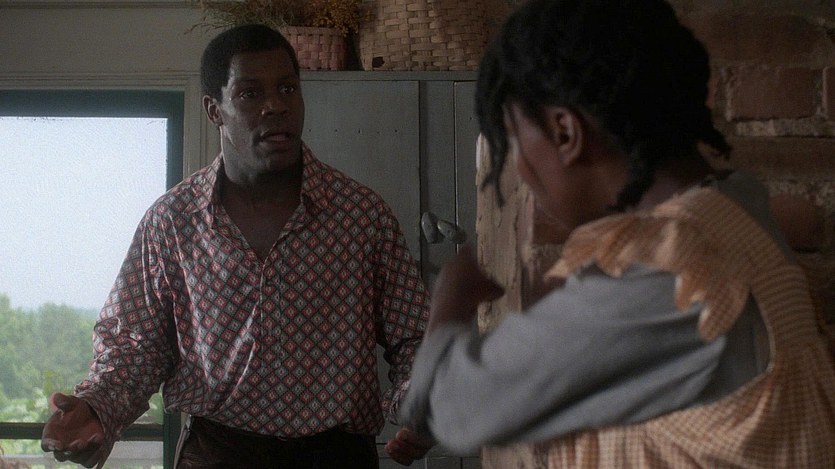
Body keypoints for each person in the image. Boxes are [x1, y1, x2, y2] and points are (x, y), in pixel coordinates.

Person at [398, 0, 835, 466]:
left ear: (566, 133)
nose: (520, 170)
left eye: (515, 142)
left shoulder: (671, 273)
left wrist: (451, 299)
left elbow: (458, 407)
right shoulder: (736, 210)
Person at [41, 23, 432, 468]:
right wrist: (96, 410)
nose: (276, 106)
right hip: (217, 453)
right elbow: (135, 345)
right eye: (249, 93)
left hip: (336, 456)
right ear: (215, 110)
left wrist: (420, 406)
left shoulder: (360, 216)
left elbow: (414, 336)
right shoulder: (173, 222)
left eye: (287, 89)